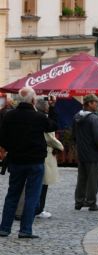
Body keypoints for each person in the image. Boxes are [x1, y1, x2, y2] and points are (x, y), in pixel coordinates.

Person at [0, 86, 57, 238]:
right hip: (35, 161)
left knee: (12, 194)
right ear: (33, 100)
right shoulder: (38, 117)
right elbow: (53, 125)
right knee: (32, 196)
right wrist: (51, 109)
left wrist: (13, 148)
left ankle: (4, 228)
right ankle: (25, 230)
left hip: (16, 160)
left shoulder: (9, 116)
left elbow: (3, 139)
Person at [72, 94, 98, 211]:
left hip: (82, 153)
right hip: (93, 154)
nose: (97, 104)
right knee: (93, 179)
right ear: (89, 104)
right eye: (95, 102)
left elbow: (73, 135)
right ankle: (91, 202)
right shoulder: (94, 118)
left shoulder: (76, 117)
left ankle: (79, 201)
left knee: (82, 178)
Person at [36, 98, 63, 218]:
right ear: (44, 107)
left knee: (41, 183)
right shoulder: (42, 119)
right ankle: (39, 208)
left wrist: (52, 107)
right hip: (45, 154)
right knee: (43, 183)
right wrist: (60, 147)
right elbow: (50, 137)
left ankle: (38, 207)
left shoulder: (41, 117)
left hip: (44, 153)